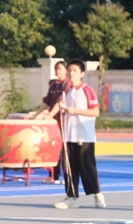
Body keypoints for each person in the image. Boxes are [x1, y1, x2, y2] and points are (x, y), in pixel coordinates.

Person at [54, 60, 105, 209]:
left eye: (75, 70)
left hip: (84, 136)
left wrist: (75, 110)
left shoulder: (87, 90)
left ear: (82, 74)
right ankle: (72, 197)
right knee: (69, 167)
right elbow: (68, 111)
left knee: (87, 167)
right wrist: (64, 110)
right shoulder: (68, 92)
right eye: (69, 70)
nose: (71, 73)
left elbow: (95, 112)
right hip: (69, 136)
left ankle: (98, 195)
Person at [29, 60, 68, 184]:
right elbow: (46, 102)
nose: (57, 71)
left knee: (64, 151)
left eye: (60, 68)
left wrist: (50, 115)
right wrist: (36, 114)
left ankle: (67, 177)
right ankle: (54, 176)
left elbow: (60, 102)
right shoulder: (54, 85)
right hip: (53, 125)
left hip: (64, 124)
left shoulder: (67, 84)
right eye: (56, 68)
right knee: (53, 150)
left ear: (65, 70)